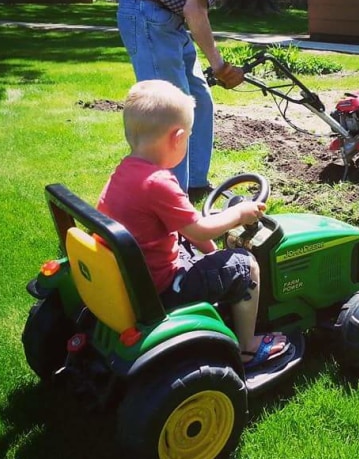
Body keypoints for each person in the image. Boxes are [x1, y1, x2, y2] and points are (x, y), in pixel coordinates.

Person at [98, 79, 289, 369]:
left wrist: (211, 251)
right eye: (188, 136)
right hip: (164, 289)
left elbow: (185, 227)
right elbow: (199, 228)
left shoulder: (124, 171)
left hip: (137, 276)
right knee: (245, 265)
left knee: (199, 247)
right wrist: (239, 214)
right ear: (177, 138)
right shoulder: (159, 184)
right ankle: (248, 348)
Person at [116, 0, 286, 202]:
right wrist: (219, 65)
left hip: (164, 17)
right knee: (170, 113)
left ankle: (194, 183)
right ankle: (173, 203)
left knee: (199, 99)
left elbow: (189, 7)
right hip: (148, 15)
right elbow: (195, 9)